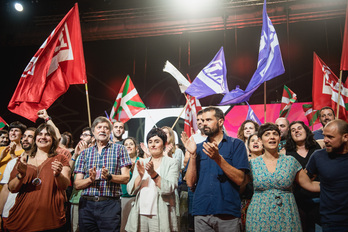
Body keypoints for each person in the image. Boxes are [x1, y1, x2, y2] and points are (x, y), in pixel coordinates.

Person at [181, 106, 249, 231]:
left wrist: (218, 158)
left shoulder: (236, 144)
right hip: (202, 211)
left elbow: (240, 179)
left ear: (220, 122)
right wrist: (192, 154)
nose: (203, 123)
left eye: (208, 120)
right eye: (202, 120)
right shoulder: (198, 148)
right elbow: (190, 182)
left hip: (227, 212)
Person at [246, 123, 320, 232]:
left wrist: (338, 184)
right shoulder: (252, 164)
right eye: (267, 134)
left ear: (279, 138)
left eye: (275, 134)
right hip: (259, 214)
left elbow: (309, 184)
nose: (272, 137)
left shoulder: (291, 161)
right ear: (260, 140)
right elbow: (240, 185)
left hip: (286, 214)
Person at [6, 123, 71, 232]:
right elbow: (12, 189)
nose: (43, 137)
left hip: (50, 221)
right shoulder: (23, 159)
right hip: (21, 220)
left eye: (47, 134)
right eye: (40, 134)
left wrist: (58, 174)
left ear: (53, 139)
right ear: (35, 138)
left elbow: (64, 186)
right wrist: (20, 175)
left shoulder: (60, 158)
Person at [74, 116, 131, 232]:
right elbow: (77, 184)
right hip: (86, 205)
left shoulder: (120, 149)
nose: (102, 130)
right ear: (93, 131)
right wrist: (90, 179)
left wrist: (109, 177)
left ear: (109, 132)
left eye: (106, 128)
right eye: (99, 127)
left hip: (110, 205)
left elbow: (126, 178)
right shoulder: (84, 153)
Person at [126, 128, 179, 232]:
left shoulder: (172, 163)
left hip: (160, 212)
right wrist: (140, 176)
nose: (153, 145)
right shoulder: (142, 162)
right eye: (150, 142)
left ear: (164, 144)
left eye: (157, 141)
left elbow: (169, 188)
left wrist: (153, 174)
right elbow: (130, 190)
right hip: (140, 212)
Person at [306, 119, 348, 231]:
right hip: (331, 222)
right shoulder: (318, 156)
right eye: (324, 136)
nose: (325, 140)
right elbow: (306, 180)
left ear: (345, 137)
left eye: (330, 137)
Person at [285, 121, 322, 232]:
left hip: (321, 198)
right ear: (290, 135)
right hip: (299, 201)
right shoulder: (286, 153)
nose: (297, 130)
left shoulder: (319, 146)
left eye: (299, 128)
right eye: (293, 130)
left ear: (306, 130)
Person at [0, 127, 35, 231]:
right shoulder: (12, 163)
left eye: (30, 137)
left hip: (30, 216)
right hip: (9, 214)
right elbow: (5, 189)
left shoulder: (42, 163)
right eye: (24, 136)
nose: (25, 139)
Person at [69, 127, 95, 232]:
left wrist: (84, 153)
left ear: (93, 138)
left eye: (85, 135)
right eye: (81, 135)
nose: (81, 137)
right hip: (76, 198)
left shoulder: (96, 152)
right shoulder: (78, 153)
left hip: (90, 199)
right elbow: (68, 172)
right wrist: (75, 154)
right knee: (75, 229)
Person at [240, 133, 263, 231]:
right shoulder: (244, 164)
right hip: (247, 204)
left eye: (258, 140)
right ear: (248, 145)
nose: (256, 142)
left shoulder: (271, 163)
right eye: (252, 141)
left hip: (265, 204)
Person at [120, 137, 142, 232]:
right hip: (122, 199)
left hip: (137, 198)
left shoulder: (141, 161)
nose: (128, 146)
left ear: (136, 147)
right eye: (126, 144)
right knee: (123, 227)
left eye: (131, 144)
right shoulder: (120, 162)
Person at [0, 121, 26, 191]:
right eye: (11, 130)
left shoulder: (25, 152)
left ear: (22, 135)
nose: (13, 133)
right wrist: (1, 157)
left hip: (10, 190)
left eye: (16, 130)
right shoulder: (1, 149)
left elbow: (20, 170)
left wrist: (12, 154)